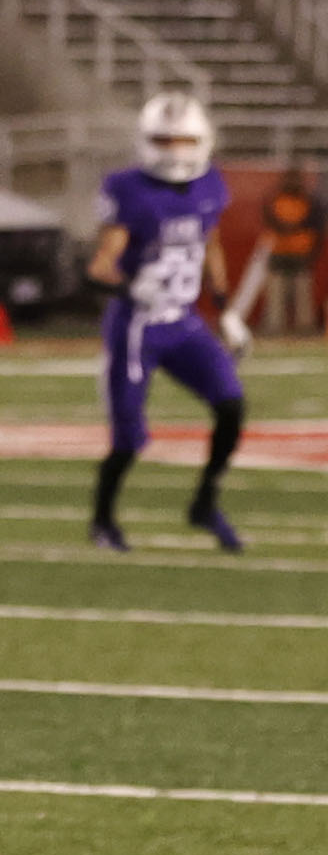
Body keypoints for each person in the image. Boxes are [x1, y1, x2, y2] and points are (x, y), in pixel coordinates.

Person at [87, 92, 248, 553]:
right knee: (128, 440)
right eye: (165, 140)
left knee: (232, 406)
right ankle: (103, 520)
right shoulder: (129, 189)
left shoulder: (210, 186)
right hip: (137, 327)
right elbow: (100, 266)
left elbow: (210, 245)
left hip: (183, 322)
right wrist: (128, 287)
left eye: (185, 140)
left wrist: (227, 311)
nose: (176, 150)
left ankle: (205, 501)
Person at [249, 164, 318, 340]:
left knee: (302, 293)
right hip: (279, 251)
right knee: (276, 292)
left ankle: (305, 328)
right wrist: (286, 227)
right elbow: (270, 219)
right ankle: (274, 327)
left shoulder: (309, 200)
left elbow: (314, 225)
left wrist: (311, 252)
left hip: (301, 252)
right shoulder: (275, 198)